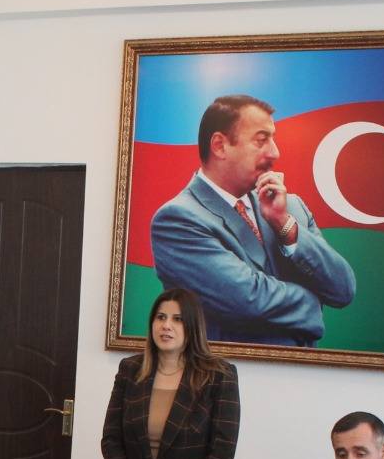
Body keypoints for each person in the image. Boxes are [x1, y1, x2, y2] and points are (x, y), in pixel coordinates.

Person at [150, 94, 356, 346]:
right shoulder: (177, 220)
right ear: (220, 146)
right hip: (232, 370)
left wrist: (285, 226)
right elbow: (247, 300)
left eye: (273, 139)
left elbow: (343, 289)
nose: (275, 152)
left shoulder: (290, 207)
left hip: (301, 371)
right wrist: (313, 301)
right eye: (261, 140)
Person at [100, 288, 241, 459]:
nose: (166, 326)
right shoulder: (130, 370)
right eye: (161, 317)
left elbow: (222, 452)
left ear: (193, 326)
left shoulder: (220, 375)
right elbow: (111, 441)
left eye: (177, 319)